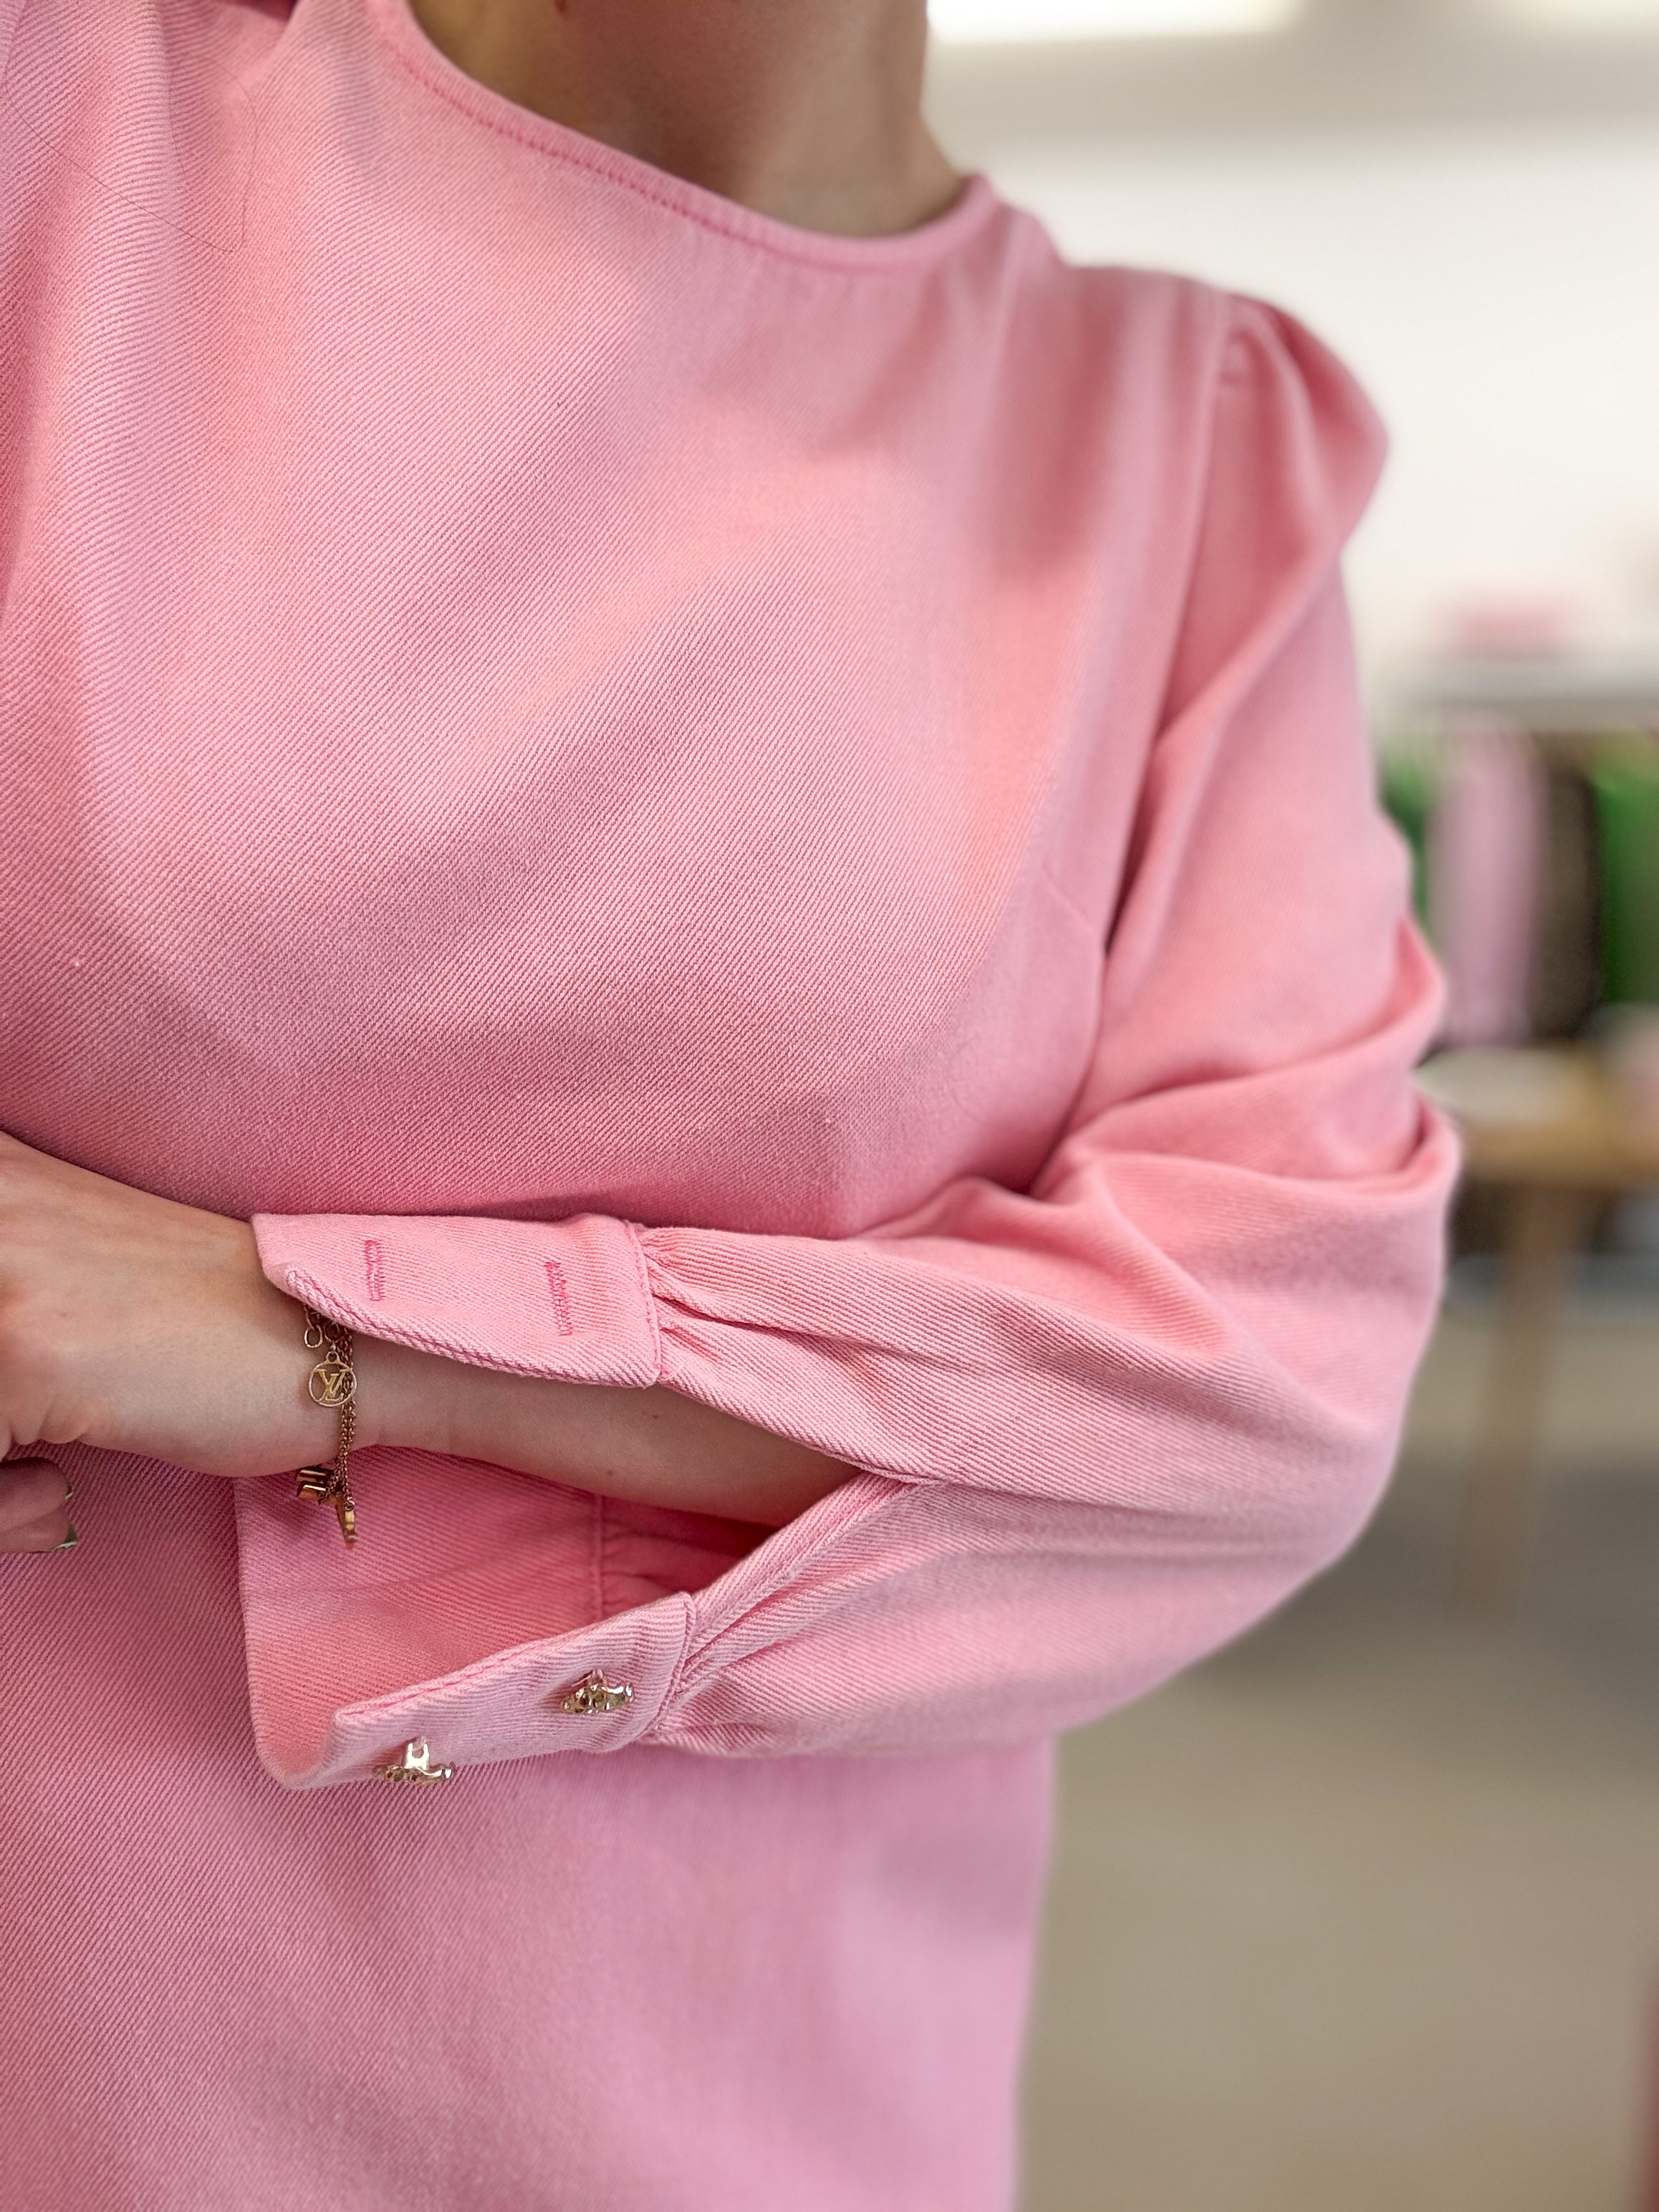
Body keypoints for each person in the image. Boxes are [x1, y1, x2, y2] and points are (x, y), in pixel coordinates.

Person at [0, 0, 1458, 2203]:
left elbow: (1263, 1394)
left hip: (748, 2094)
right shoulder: (69, 138)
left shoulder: (1183, 449)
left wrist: (309, 1335)